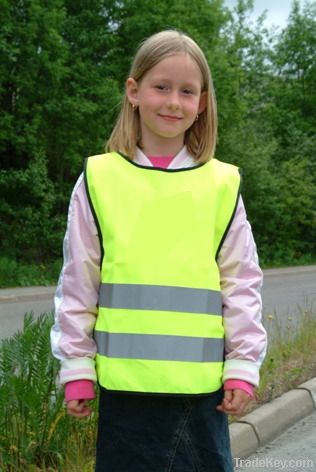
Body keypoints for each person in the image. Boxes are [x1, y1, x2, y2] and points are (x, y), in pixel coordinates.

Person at [51, 30, 267, 472]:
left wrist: (244, 365)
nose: (173, 101)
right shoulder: (99, 179)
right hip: (124, 394)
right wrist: (76, 366)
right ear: (133, 91)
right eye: (161, 87)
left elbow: (241, 283)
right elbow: (79, 281)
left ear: (202, 103)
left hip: (202, 396)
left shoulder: (221, 184)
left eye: (187, 91)